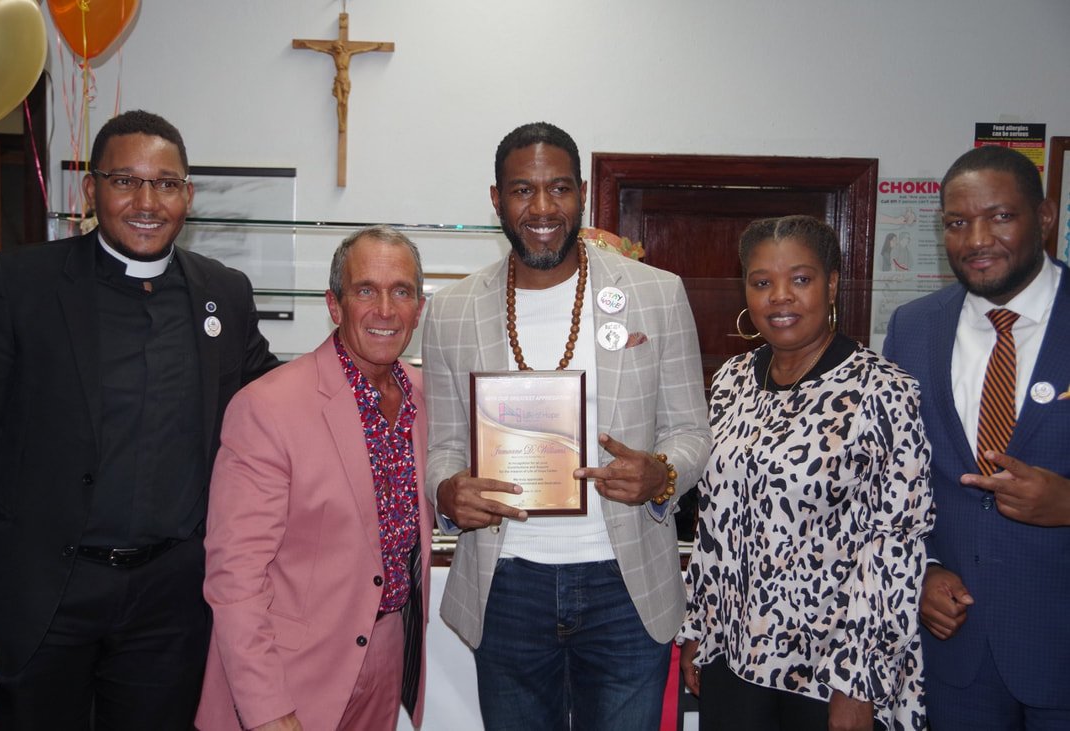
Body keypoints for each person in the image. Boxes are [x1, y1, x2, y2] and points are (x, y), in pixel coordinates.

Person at [0, 109, 279, 730]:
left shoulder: (224, 292)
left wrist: (371, 373)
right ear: (91, 189)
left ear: (188, 194)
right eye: (125, 181)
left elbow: (277, 403)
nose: (147, 202)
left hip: (170, 605)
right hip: (42, 595)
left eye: (165, 184)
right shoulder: (18, 284)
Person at [422, 121, 711, 730]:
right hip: (506, 584)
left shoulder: (657, 294)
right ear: (496, 199)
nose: (542, 208)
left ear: (581, 193)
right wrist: (447, 492)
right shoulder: (450, 310)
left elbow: (692, 432)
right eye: (522, 190)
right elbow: (444, 445)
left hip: (626, 586)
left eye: (558, 188)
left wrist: (661, 474)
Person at [680, 215, 934, 731]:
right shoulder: (732, 380)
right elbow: (715, 523)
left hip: (828, 671)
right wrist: (699, 629)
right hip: (732, 655)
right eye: (761, 282)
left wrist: (858, 682)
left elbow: (895, 546)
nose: (780, 297)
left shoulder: (882, 391)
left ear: (832, 284)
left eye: (800, 279)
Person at [195, 226, 432, 731]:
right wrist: (267, 708)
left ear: (419, 308)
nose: (385, 310)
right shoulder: (267, 407)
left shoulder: (423, 396)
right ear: (334, 304)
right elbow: (235, 577)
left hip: (386, 656)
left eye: (401, 292)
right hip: (291, 672)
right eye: (365, 290)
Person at [884, 146, 1070, 730]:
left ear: (1045, 217)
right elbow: (895, 479)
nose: (977, 240)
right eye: (957, 223)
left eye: (1001, 216)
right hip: (955, 648)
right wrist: (922, 568)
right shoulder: (913, 328)